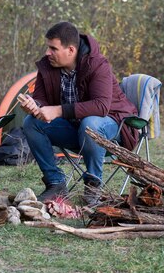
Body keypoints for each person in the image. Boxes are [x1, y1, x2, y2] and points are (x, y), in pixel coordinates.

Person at [19, 21, 138, 205]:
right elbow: (42, 99)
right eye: (48, 47)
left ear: (71, 50)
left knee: (90, 122)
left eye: (53, 48)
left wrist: (57, 110)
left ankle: (93, 184)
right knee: (31, 123)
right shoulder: (47, 67)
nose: (47, 53)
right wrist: (34, 105)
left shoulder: (97, 65)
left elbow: (101, 107)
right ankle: (56, 183)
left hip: (112, 126)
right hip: (76, 129)